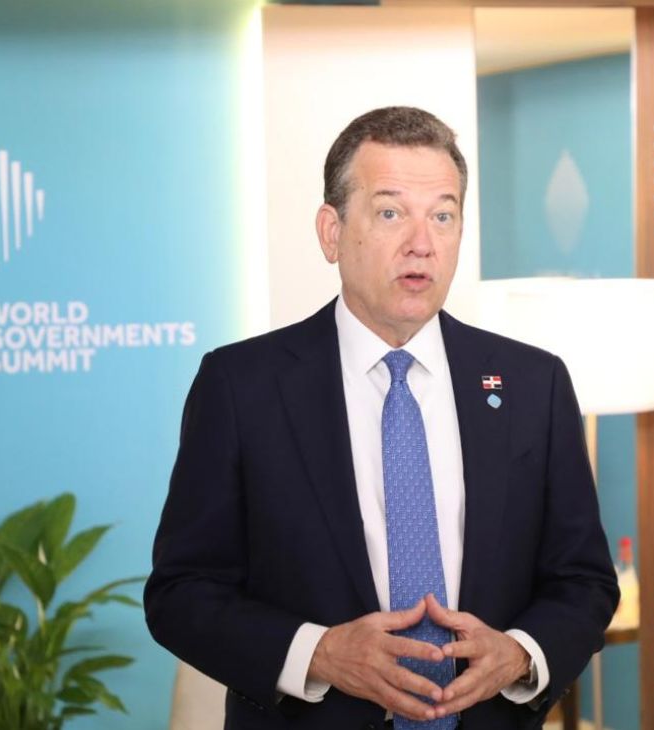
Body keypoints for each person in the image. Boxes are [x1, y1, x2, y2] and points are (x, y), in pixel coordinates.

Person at [145, 106, 618, 730]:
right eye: (391, 213)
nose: (422, 243)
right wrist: (318, 653)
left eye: (443, 215)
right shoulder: (241, 386)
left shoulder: (534, 382)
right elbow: (181, 593)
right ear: (331, 232)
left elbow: (584, 581)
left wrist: (520, 654)